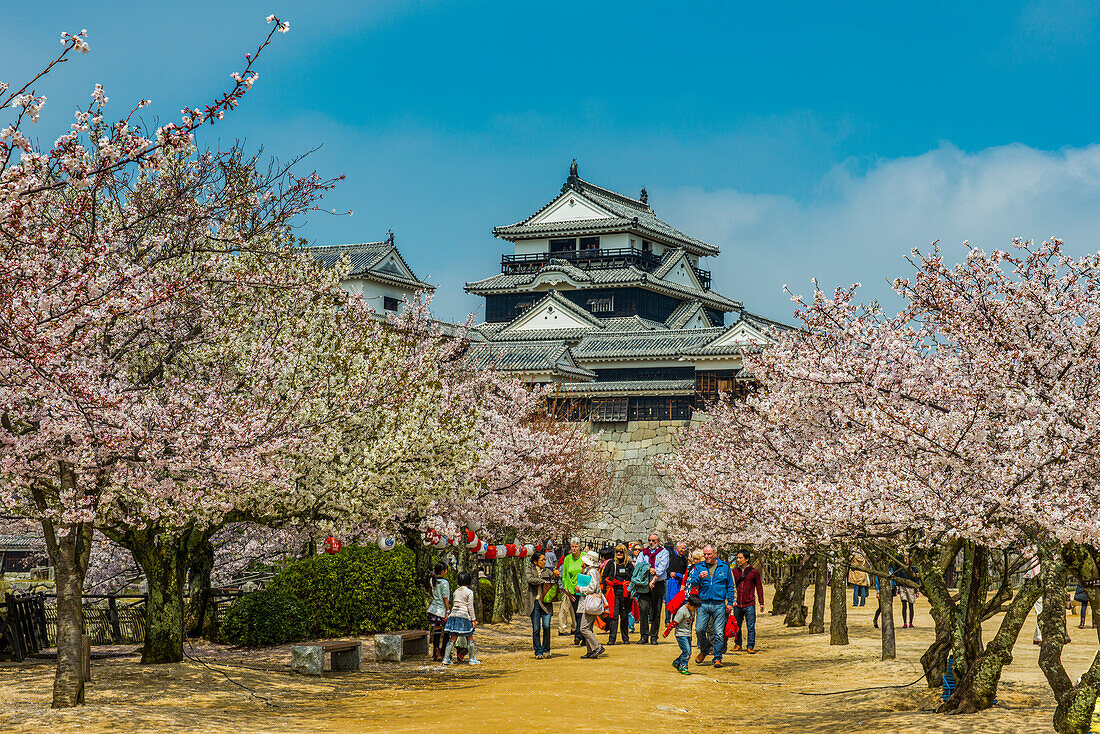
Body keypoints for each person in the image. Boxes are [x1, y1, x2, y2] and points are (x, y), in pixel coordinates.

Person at [688, 544, 736, 668]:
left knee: (718, 632)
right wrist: (699, 577)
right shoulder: (699, 566)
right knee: (699, 629)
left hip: (719, 604)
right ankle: (704, 650)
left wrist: (730, 602)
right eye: (705, 554)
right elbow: (692, 582)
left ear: (715, 554)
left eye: (709, 554)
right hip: (703, 603)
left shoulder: (724, 567)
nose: (706, 557)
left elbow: (730, 586)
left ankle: (717, 657)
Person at [525, 551, 558, 659]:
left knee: (547, 626)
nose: (544, 562)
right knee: (536, 628)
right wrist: (542, 581)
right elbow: (530, 579)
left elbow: (553, 579)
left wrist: (556, 575)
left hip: (546, 603)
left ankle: (546, 649)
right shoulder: (530, 570)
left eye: (544, 559)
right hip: (534, 603)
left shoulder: (547, 571)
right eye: (542, 560)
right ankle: (538, 651)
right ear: (535, 562)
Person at [442, 571, 479, 665]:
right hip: (463, 616)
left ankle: (446, 658)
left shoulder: (456, 591)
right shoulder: (469, 592)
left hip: (453, 616)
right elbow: (470, 607)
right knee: (469, 637)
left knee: (453, 638)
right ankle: (472, 659)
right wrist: (473, 619)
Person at [638, 533, 670, 644]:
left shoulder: (664, 552)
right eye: (650, 540)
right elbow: (639, 565)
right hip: (644, 583)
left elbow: (662, 567)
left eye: (654, 541)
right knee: (644, 608)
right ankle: (644, 635)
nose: (651, 543)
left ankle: (654, 636)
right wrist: (649, 568)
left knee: (656, 610)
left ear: (658, 542)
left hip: (658, 584)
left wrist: (654, 578)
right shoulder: (643, 553)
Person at [732, 548, 765, 653]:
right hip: (737, 603)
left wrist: (761, 602)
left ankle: (750, 645)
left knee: (750, 626)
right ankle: (738, 644)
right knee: (737, 625)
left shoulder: (754, 572)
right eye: (737, 557)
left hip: (749, 603)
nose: (738, 560)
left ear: (746, 559)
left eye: (740, 558)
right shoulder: (734, 572)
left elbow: (759, 587)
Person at [575, 550, 607, 659]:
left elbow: (592, 587)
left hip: (590, 601)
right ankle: (590, 650)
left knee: (584, 628)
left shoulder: (592, 571)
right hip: (590, 601)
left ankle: (597, 647)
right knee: (588, 627)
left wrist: (581, 589)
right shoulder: (592, 571)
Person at [602, 544, 634, 644]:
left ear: (624, 553)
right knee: (614, 616)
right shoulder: (611, 563)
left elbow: (632, 579)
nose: (619, 553)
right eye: (617, 551)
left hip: (625, 593)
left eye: (621, 552)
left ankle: (625, 638)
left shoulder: (629, 565)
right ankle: (612, 639)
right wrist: (604, 590)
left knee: (624, 616)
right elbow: (604, 577)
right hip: (613, 593)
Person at [559, 538, 584, 642]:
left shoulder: (584, 557)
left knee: (580, 613)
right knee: (575, 612)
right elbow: (564, 575)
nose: (574, 549)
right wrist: (566, 588)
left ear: (579, 547)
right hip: (571, 590)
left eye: (576, 547)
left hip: (582, 589)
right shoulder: (567, 559)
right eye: (572, 546)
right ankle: (579, 634)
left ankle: (578, 635)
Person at [671, 594, 701, 675]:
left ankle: (677, 662)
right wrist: (667, 632)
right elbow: (675, 622)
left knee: (688, 651)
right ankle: (683, 666)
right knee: (687, 651)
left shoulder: (692, 610)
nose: (695, 609)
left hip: (688, 633)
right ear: (689, 604)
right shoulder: (682, 611)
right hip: (681, 634)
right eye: (694, 607)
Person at [427, 561, 451, 662]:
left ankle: (436, 652)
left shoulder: (432, 580)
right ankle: (444, 651)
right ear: (443, 571)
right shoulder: (444, 583)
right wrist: (447, 611)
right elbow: (445, 598)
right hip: (441, 610)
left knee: (436, 631)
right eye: (446, 570)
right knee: (447, 630)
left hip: (433, 609)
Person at [666, 541, 688, 625]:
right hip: (670, 580)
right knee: (669, 600)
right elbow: (666, 568)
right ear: (677, 547)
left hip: (679, 581)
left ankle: (674, 620)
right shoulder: (671, 556)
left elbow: (685, 571)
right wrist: (670, 573)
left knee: (677, 601)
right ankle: (667, 620)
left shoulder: (684, 559)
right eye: (682, 548)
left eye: (684, 548)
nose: (683, 550)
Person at [895, 556, 918, 629]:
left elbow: (916, 580)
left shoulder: (914, 569)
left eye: (907, 558)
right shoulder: (901, 568)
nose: (906, 560)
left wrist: (917, 590)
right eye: (905, 558)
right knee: (904, 605)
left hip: (911, 588)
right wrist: (897, 588)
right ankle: (904, 622)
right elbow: (898, 578)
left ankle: (911, 622)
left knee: (911, 606)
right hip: (903, 588)